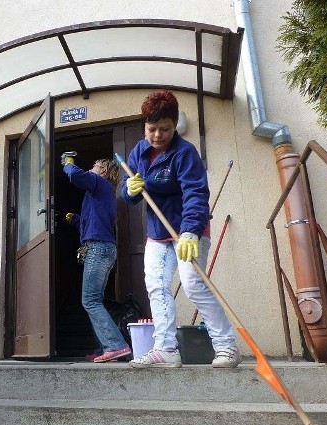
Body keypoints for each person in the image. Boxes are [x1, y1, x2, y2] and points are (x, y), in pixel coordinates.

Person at [120, 90, 241, 368]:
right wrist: (129, 190)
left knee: (194, 285)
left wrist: (190, 232)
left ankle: (226, 347)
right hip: (157, 233)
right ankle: (166, 349)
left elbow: (196, 193)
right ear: (144, 127)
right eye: (152, 129)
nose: (158, 135)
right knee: (157, 287)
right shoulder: (139, 151)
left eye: (165, 129)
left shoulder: (184, 153)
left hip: (188, 230)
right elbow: (129, 193)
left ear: (175, 125)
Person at [62, 153, 132, 363]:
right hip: (102, 248)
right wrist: (75, 219)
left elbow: (75, 176)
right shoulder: (102, 192)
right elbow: (92, 222)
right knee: (94, 300)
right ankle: (104, 347)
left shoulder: (99, 183)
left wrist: (68, 163)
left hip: (98, 249)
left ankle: (116, 345)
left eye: (94, 165)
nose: (91, 167)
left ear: (103, 171)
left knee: (90, 300)